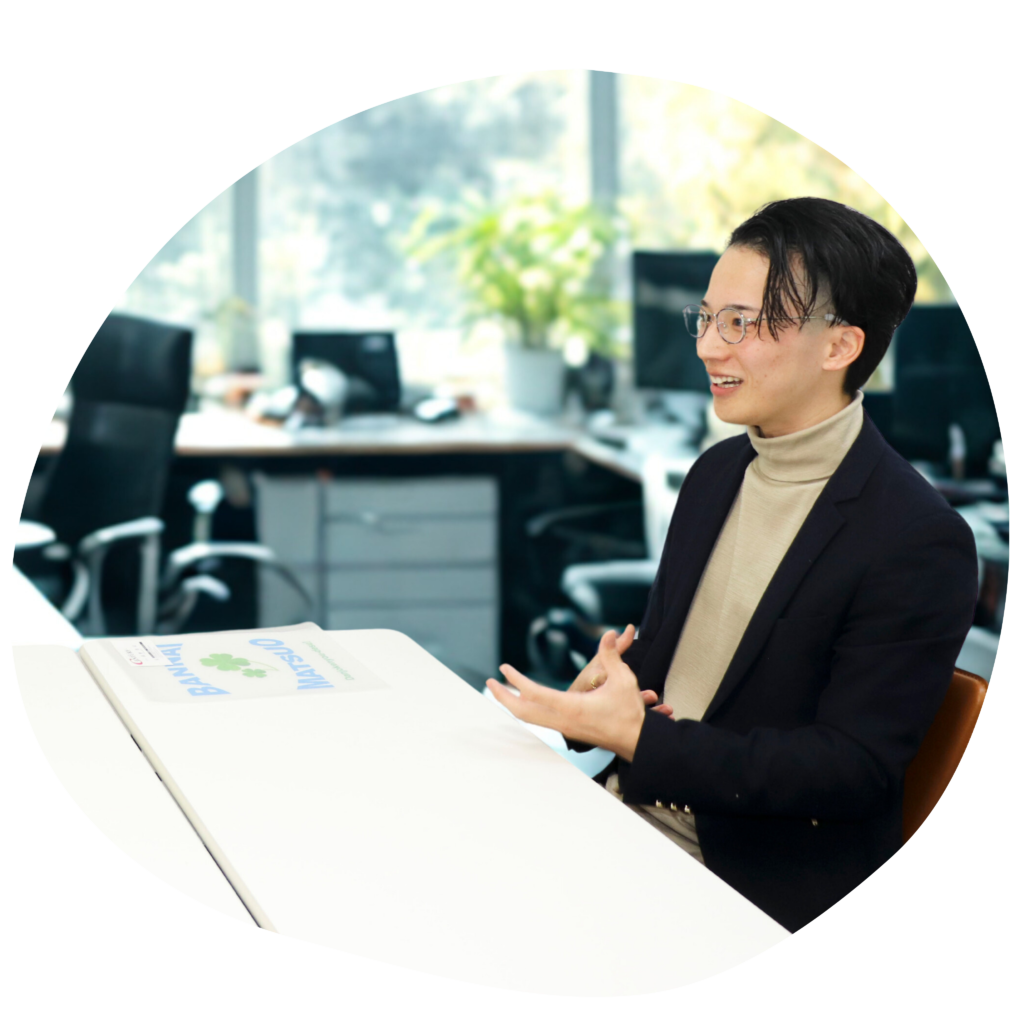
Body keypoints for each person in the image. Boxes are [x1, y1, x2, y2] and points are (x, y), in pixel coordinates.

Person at [486, 197, 979, 933]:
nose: (708, 347)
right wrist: (606, 698)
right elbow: (678, 671)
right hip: (626, 819)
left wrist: (639, 739)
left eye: (741, 324)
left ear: (839, 346)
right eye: (707, 318)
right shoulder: (717, 473)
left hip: (745, 883)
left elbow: (850, 771)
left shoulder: (916, 538)